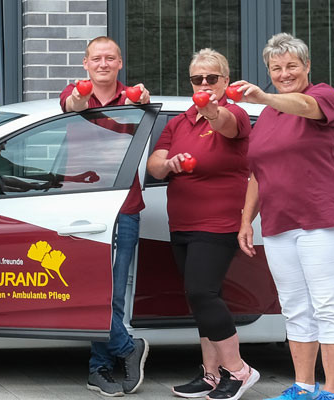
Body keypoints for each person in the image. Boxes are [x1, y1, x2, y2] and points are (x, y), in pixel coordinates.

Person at [232, 33, 334, 400]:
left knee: (328, 305)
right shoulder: (266, 118)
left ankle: (331, 392)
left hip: (321, 221)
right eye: (276, 68)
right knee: (295, 308)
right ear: (268, 70)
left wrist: (265, 96)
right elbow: (257, 172)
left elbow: (303, 106)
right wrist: (245, 222)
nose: (284, 73)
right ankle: (303, 387)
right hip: (279, 224)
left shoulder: (323, 96)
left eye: (291, 66)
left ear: (307, 67)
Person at [147, 49, 259, 400]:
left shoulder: (235, 114)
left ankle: (239, 371)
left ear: (226, 81)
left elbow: (224, 122)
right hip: (182, 222)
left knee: (202, 292)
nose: (205, 84)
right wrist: (170, 164)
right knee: (199, 299)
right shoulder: (179, 122)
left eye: (212, 78)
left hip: (219, 222)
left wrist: (210, 108)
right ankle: (211, 374)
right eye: (198, 79)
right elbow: (155, 162)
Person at [59, 36, 152, 398]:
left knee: (112, 292)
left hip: (123, 206)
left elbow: (143, 102)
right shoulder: (74, 91)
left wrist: (141, 100)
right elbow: (73, 103)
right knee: (88, 289)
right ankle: (128, 348)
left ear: (120, 63)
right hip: (82, 206)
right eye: (96, 58)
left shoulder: (132, 98)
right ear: (85, 63)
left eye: (109, 58)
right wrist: (81, 96)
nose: (102, 64)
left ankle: (98, 369)